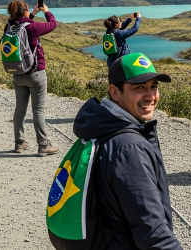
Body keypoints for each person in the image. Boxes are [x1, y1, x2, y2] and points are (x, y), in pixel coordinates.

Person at [70, 53, 181, 249]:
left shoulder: (101, 126)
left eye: (154, 86)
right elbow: (153, 234)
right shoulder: (128, 148)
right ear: (114, 92)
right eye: (139, 87)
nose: (151, 96)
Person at [5, 0, 59, 156]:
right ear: (25, 12)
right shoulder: (33, 27)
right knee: (38, 110)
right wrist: (46, 11)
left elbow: (22, 25)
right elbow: (52, 24)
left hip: (17, 74)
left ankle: (19, 143)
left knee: (19, 109)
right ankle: (43, 145)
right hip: (35, 74)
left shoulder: (9, 27)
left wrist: (33, 13)